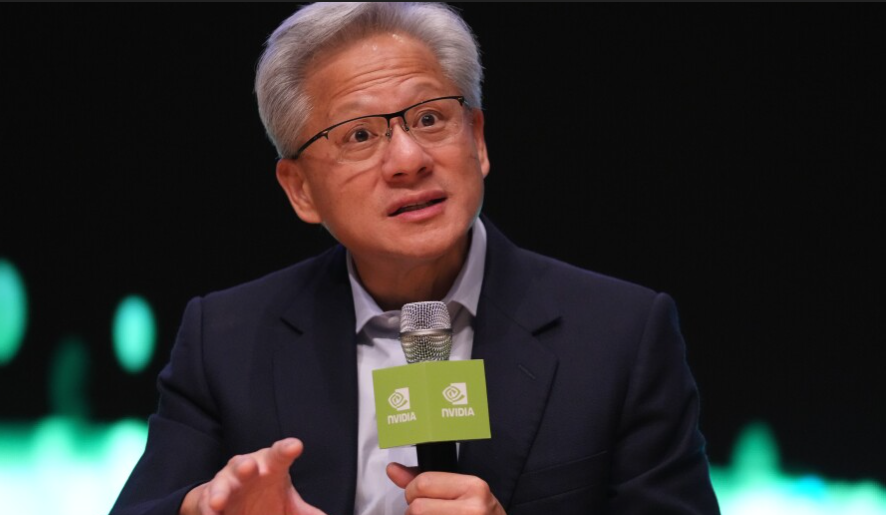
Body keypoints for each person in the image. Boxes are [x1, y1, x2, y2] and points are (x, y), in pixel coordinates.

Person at [111, 3, 720, 515]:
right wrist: (203, 510)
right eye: (359, 134)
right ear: (300, 189)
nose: (408, 160)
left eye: (429, 118)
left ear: (477, 139)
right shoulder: (225, 338)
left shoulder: (620, 334)